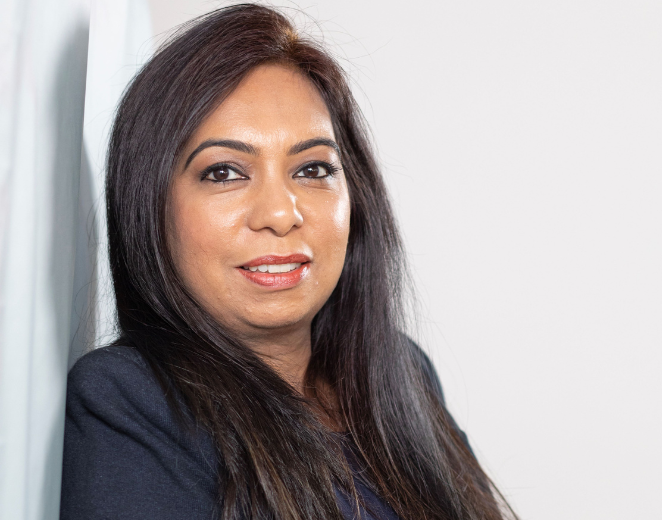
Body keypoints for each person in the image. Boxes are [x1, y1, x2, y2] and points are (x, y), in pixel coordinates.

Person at [60, 4, 516, 519]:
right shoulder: (130, 401)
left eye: (313, 169)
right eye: (224, 172)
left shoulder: (401, 371)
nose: (281, 214)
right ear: (149, 204)